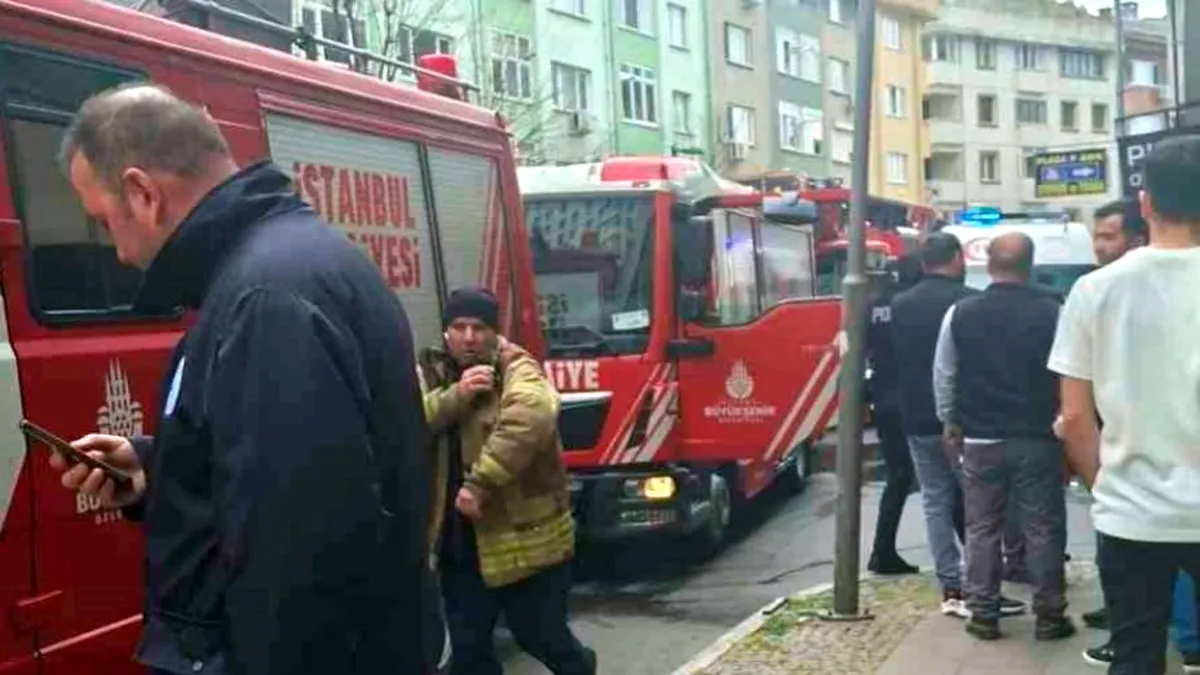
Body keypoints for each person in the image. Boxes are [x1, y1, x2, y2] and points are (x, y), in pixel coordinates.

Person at [50, 83, 439, 675]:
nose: (119, 253)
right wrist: (155, 469)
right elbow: (273, 473)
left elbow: (297, 557)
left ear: (142, 192)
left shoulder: (264, 298)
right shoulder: (282, 269)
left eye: (104, 223)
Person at [1050, 136, 1200, 674]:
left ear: (1146, 205)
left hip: (1132, 513)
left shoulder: (1093, 291)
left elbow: (1073, 418)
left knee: (1135, 654)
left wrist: (1106, 487)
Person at [418, 288, 597, 675]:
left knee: (540, 636)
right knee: (469, 651)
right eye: (458, 327)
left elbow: (530, 419)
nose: (468, 337)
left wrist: (479, 483)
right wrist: (456, 397)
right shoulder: (431, 371)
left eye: (478, 328)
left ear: (495, 332)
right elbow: (409, 420)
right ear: (446, 332)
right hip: (459, 542)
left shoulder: (519, 368)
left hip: (526, 541)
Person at [933, 232, 1071, 642]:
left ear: (989, 264)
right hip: (1038, 437)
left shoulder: (960, 313)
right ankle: (1049, 616)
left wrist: (950, 422)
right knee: (1043, 528)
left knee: (981, 528)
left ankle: (984, 613)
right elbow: (1069, 373)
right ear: (1029, 266)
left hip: (980, 439)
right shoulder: (1054, 312)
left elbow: (945, 374)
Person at [891, 233, 1025, 619]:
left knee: (934, 498)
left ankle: (950, 584)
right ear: (955, 258)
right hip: (962, 420)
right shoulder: (967, 301)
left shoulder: (901, 304)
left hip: (915, 414)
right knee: (976, 504)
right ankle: (983, 585)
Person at [865, 255, 922, 575]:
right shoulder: (913, 304)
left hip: (885, 400)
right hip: (918, 399)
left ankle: (882, 549)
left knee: (898, 476)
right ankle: (976, 556)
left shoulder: (873, 305)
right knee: (944, 479)